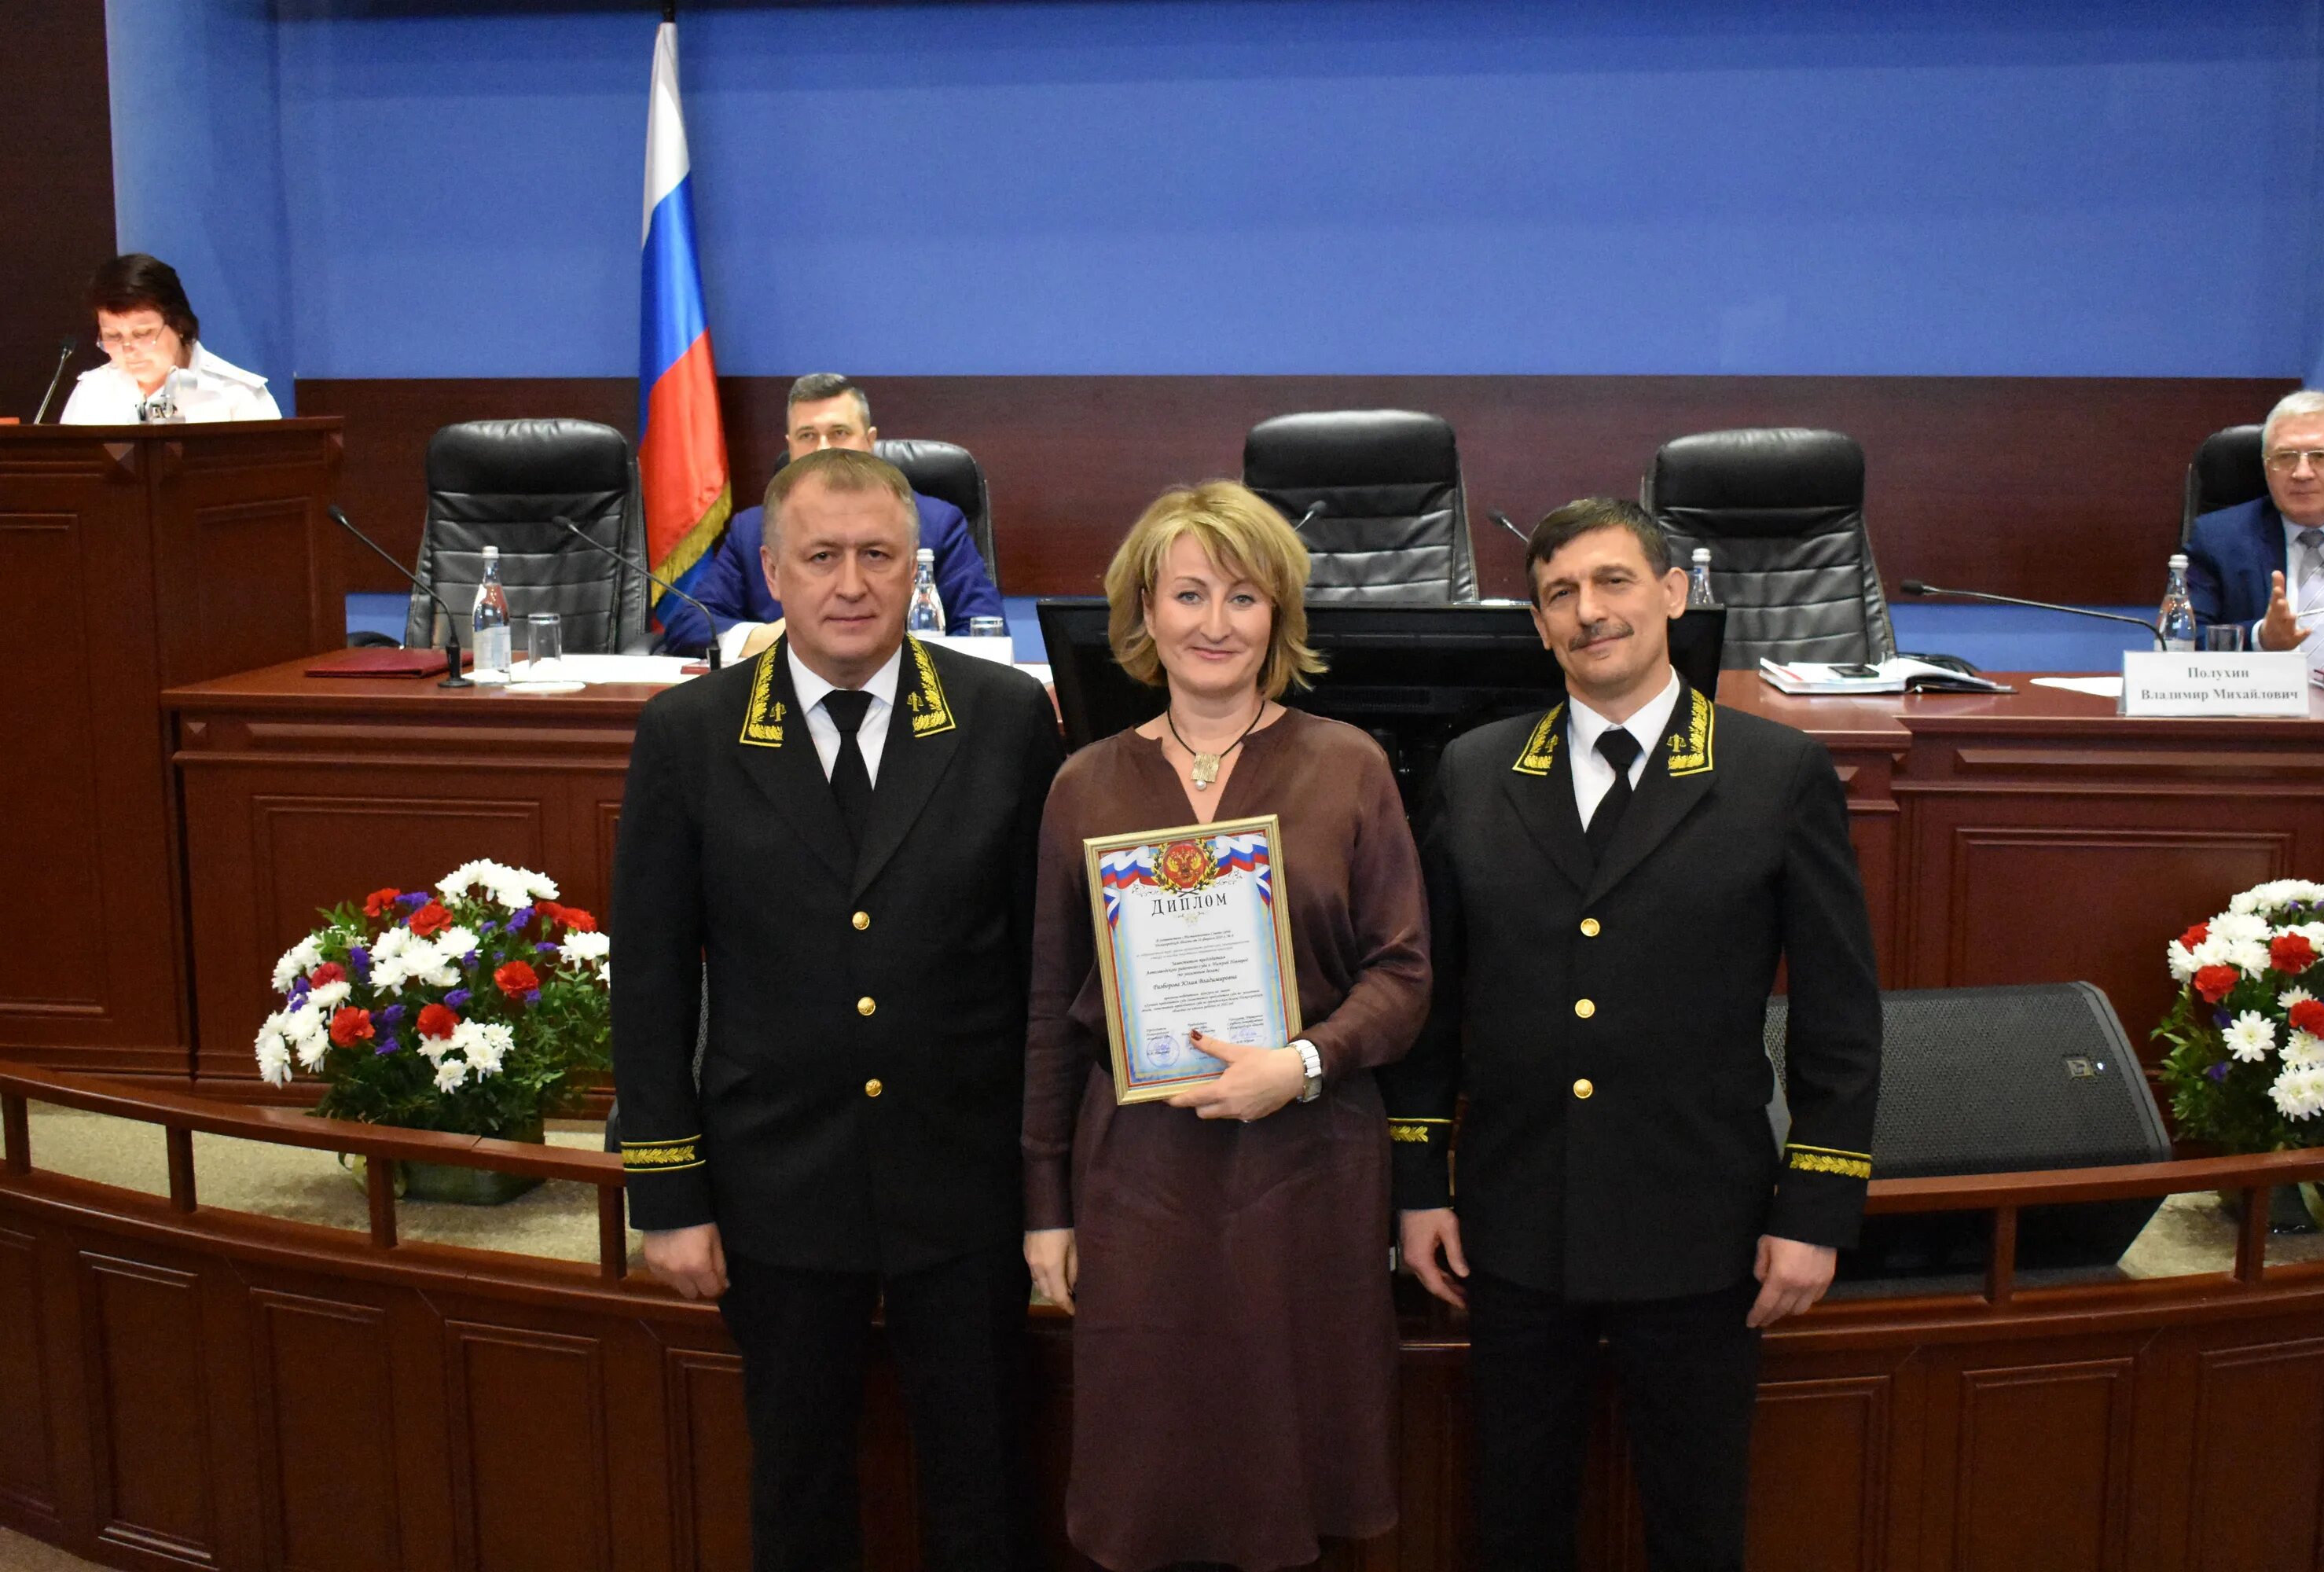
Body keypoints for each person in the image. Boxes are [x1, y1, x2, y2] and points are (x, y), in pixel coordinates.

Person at [1379, 497, 1882, 1571]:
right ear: (1538, 626)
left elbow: (1840, 1014)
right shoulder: (1474, 774)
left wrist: (1820, 1206)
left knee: (1697, 1530)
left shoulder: (1773, 773)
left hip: (1703, 1227)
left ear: (1673, 594)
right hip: (1513, 1227)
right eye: (1558, 593)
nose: (1587, 611)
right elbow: (1433, 999)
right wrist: (1420, 1181)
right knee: (1514, 1524)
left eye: (1612, 582)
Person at [611, 446, 1063, 1571]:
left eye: (878, 556)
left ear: (920, 570)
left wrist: (1051, 1180)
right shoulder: (691, 734)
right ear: (771, 571)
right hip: (778, 1182)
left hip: (963, 1180)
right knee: (799, 1479)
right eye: (821, 557)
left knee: (983, 1483)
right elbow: (657, 973)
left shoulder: (1005, 717)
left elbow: (1049, 978)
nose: (851, 583)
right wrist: (668, 1191)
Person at [1021, 481, 1430, 1571]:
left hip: (1306, 1164)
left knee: (1291, 1461)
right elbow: (1049, 1019)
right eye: (1189, 594)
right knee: (1149, 1466)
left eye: (1242, 597)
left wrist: (1301, 1063)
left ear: (1278, 616)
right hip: (1141, 1174)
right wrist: (1044, 1204)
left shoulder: (1349, 765)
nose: (1215, 623)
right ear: (1143, 613)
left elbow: (1404, 976)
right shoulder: (1083, 785)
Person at [658, 372, 1003, 658]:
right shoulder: (753, 529)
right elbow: (691, 622)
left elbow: (984, 626)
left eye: (839, 433)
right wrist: (768, 638)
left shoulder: (936, 522)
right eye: (808, 436)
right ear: (790, 445)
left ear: (869, 441)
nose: (823, 449)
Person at [2186, 387, 2324, 667]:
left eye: (2320, 456)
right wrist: (2261, 638)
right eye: (2285, 457)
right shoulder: (2218, 539)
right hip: (2260, 705)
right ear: (2266, 468)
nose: (2302, 473)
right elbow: (2184, 643)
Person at [59, 254, 281, 424]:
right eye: (113, 336)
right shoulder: (92, 393)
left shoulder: (237, 395)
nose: (128, 349)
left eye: (143, 334)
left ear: (180, 325)